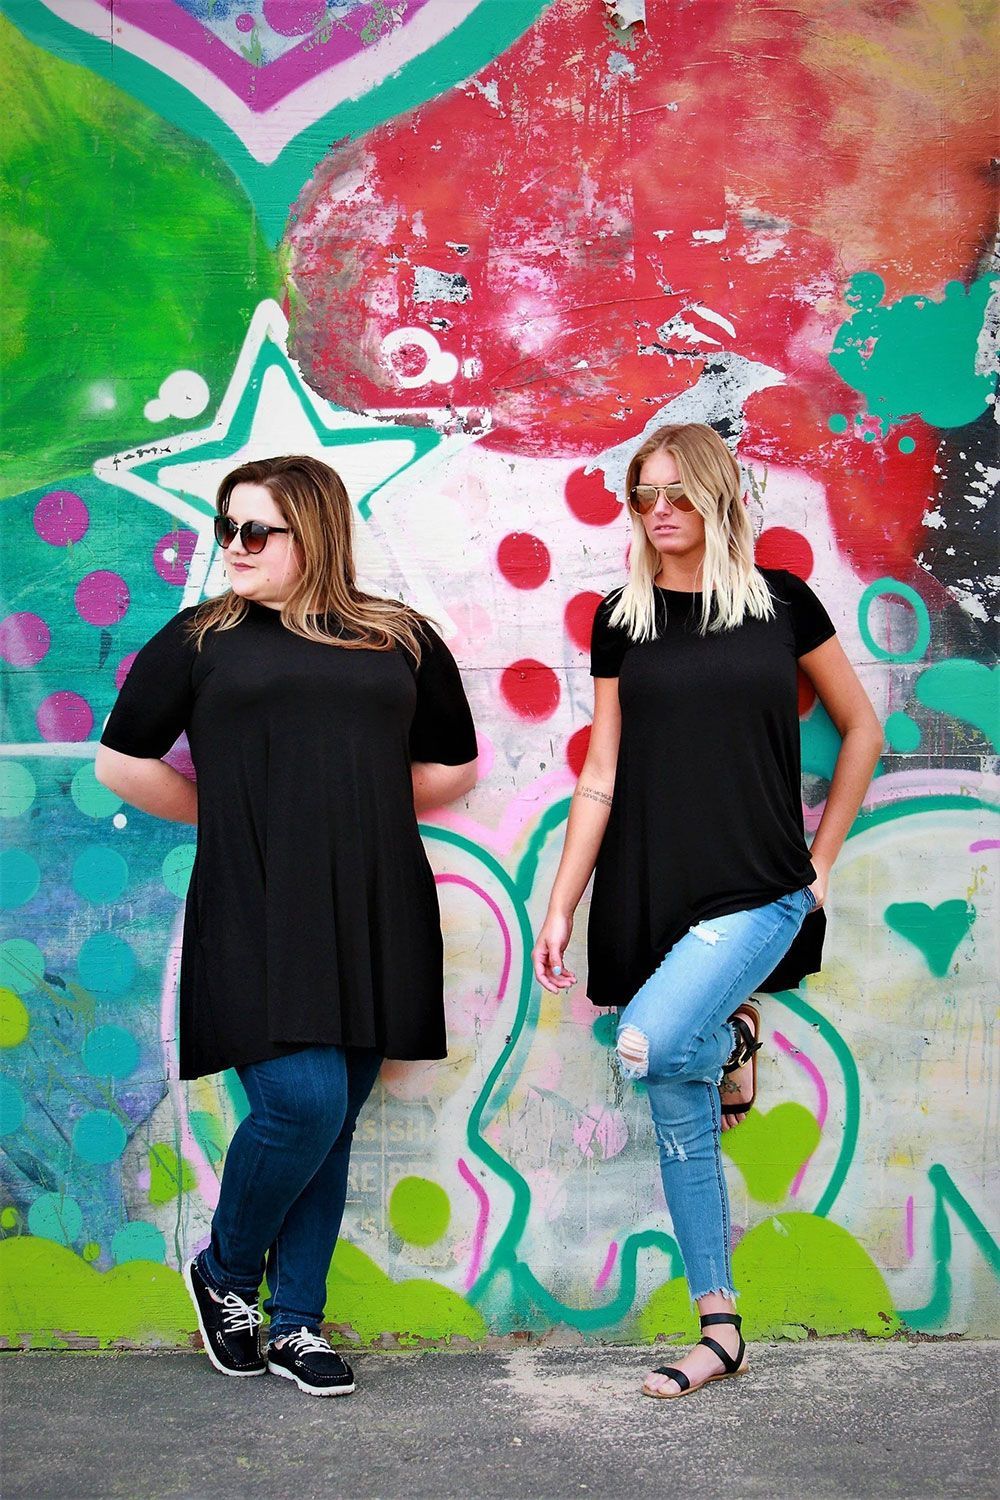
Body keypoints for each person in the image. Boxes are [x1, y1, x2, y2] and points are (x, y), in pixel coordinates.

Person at [96, 455, 478, 1397]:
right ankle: (227, 1272)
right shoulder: (201, 639)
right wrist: (233, 814)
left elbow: (452, 766)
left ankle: (296, 1322)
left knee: (334, 1118)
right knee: (300, 1102)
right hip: (256, 900)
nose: (234, 546)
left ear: (314, 532)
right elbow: (121, 762)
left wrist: (361, 815)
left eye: (256, 530)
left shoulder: (397, 636)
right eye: (227, 526)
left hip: (375, 898)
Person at [532, 423, 882, 1400]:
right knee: (673, 1103)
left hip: (760, 886)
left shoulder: (781, 607)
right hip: (649, 894)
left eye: (676, 493)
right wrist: (561, 904)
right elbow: (599, 774)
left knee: (647, 1044)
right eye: (643, 494)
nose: (658, 510)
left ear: (719, 497)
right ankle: (719, 1328)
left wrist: (820, 865)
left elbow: (862, 728)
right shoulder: (620, 617)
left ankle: (726, 1039)